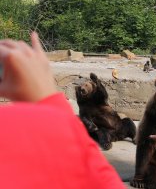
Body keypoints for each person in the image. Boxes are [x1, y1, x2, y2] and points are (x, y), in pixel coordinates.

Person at [0, 32, 125, 189]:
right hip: (101, 129)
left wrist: (97, 82)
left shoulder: (98, 95)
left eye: (86, 86)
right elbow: (104, 181)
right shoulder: (80, 103)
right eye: (81, 88)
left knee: (125, 125)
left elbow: (103, 96)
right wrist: (50, 101)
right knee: (98, 132)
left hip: (116, 124)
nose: (83, 89)